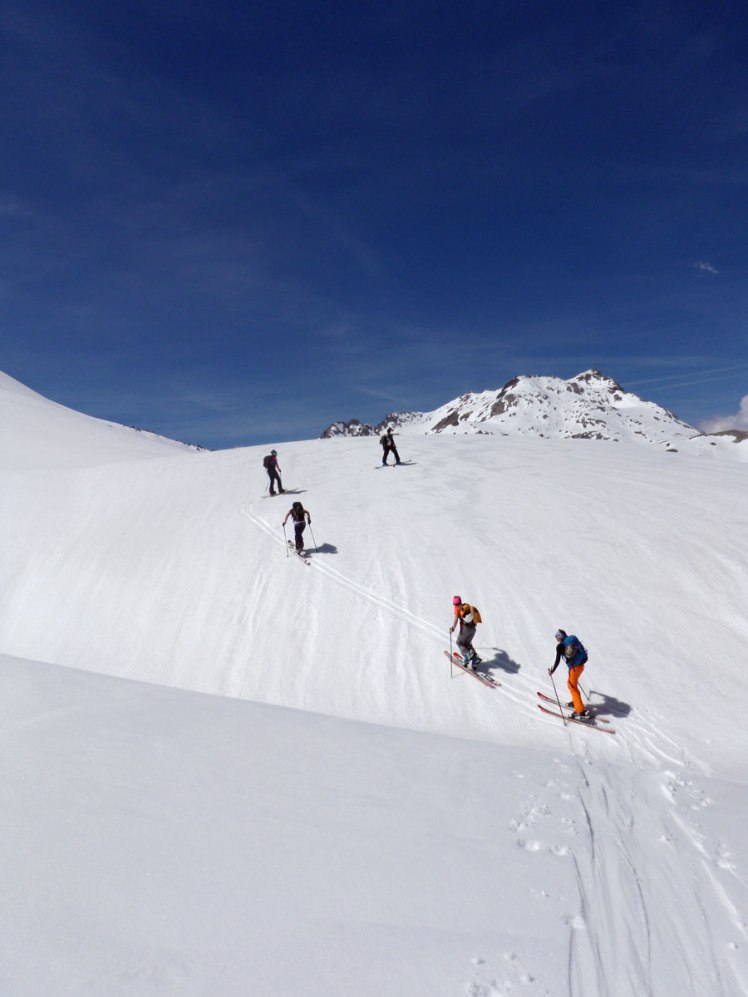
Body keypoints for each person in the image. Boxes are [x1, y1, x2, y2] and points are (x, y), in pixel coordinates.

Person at [549, 629, 590, 719]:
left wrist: (553, 670)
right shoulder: (571, 638)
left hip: (575, 668)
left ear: (560, 637)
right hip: (581, 666)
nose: (556, 639)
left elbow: (558, 659)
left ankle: (580, 711)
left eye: (557, 637)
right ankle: (576, 702)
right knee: (571, 684)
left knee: (572, 686)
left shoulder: (560, 646)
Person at [449, 595, 482, 669]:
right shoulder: (466, 607)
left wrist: (453, 628)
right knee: (467, 643)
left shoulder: (457, 608)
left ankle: (467, 655)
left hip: (465, 628)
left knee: (459, 642)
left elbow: (456, 619)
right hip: (473, 628)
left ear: (454, 603)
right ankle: (474, 659)